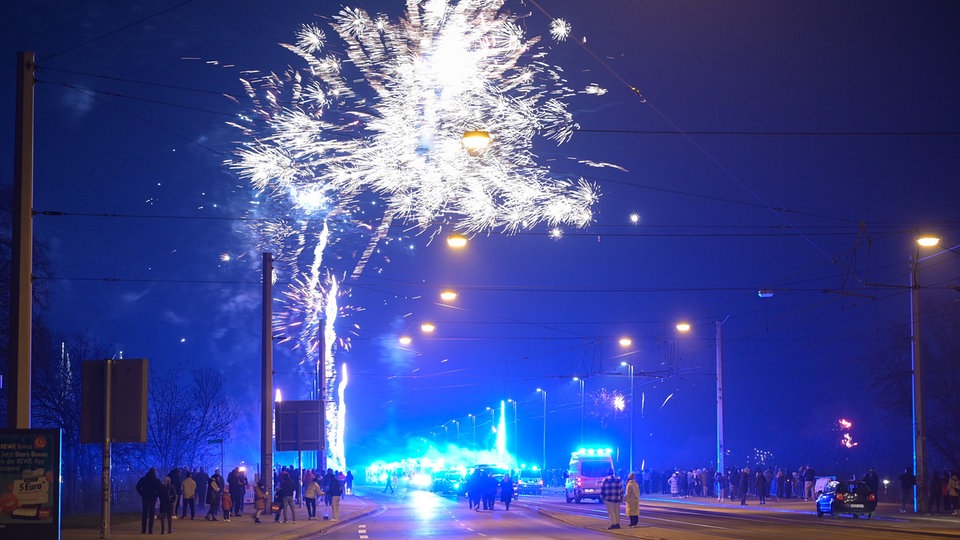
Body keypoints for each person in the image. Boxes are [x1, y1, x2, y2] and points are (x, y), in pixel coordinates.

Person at [136, 467, 163, 534]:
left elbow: (138, 486)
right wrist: (156, 495)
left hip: (145, 497)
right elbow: (160, 489)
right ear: (154, 472)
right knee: (151, 514)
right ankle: (150, 530)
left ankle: (143, 529)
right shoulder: (156, 480)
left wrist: (142, 494)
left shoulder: (144, 479)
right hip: (152, 498)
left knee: (144, 513)